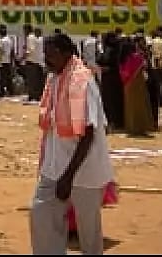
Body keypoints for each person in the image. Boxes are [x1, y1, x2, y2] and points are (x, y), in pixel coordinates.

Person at [29, 33, 115, 255]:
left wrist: (68, 176)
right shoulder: (54, 79)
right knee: (41, 215)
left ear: (66, 53)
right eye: (45, 55)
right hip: (54, 167)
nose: (46, 60)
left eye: (51, 55)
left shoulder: (83, 82)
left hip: (83, 171)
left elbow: (88, 135)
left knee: (89, 232)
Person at [120, 40, 154, 136]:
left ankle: (131, 127)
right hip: (137, 83)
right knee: (140, 105)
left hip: (127, 83)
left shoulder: (122, 58)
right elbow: (144, 65)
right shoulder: (136, 56)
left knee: (130, 106)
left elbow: (124, 72)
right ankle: (140, 127)